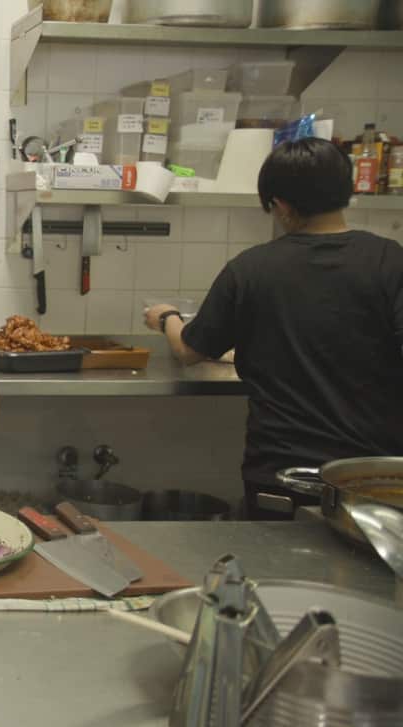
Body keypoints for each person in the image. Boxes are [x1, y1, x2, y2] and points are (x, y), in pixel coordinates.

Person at [144, 137, 403, 520]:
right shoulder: (391, 262)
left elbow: (189, 351)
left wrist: (166, 317)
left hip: (282, 480)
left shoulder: (251, 269)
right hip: (371, 483)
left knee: (277, 576)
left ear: (280, 205)